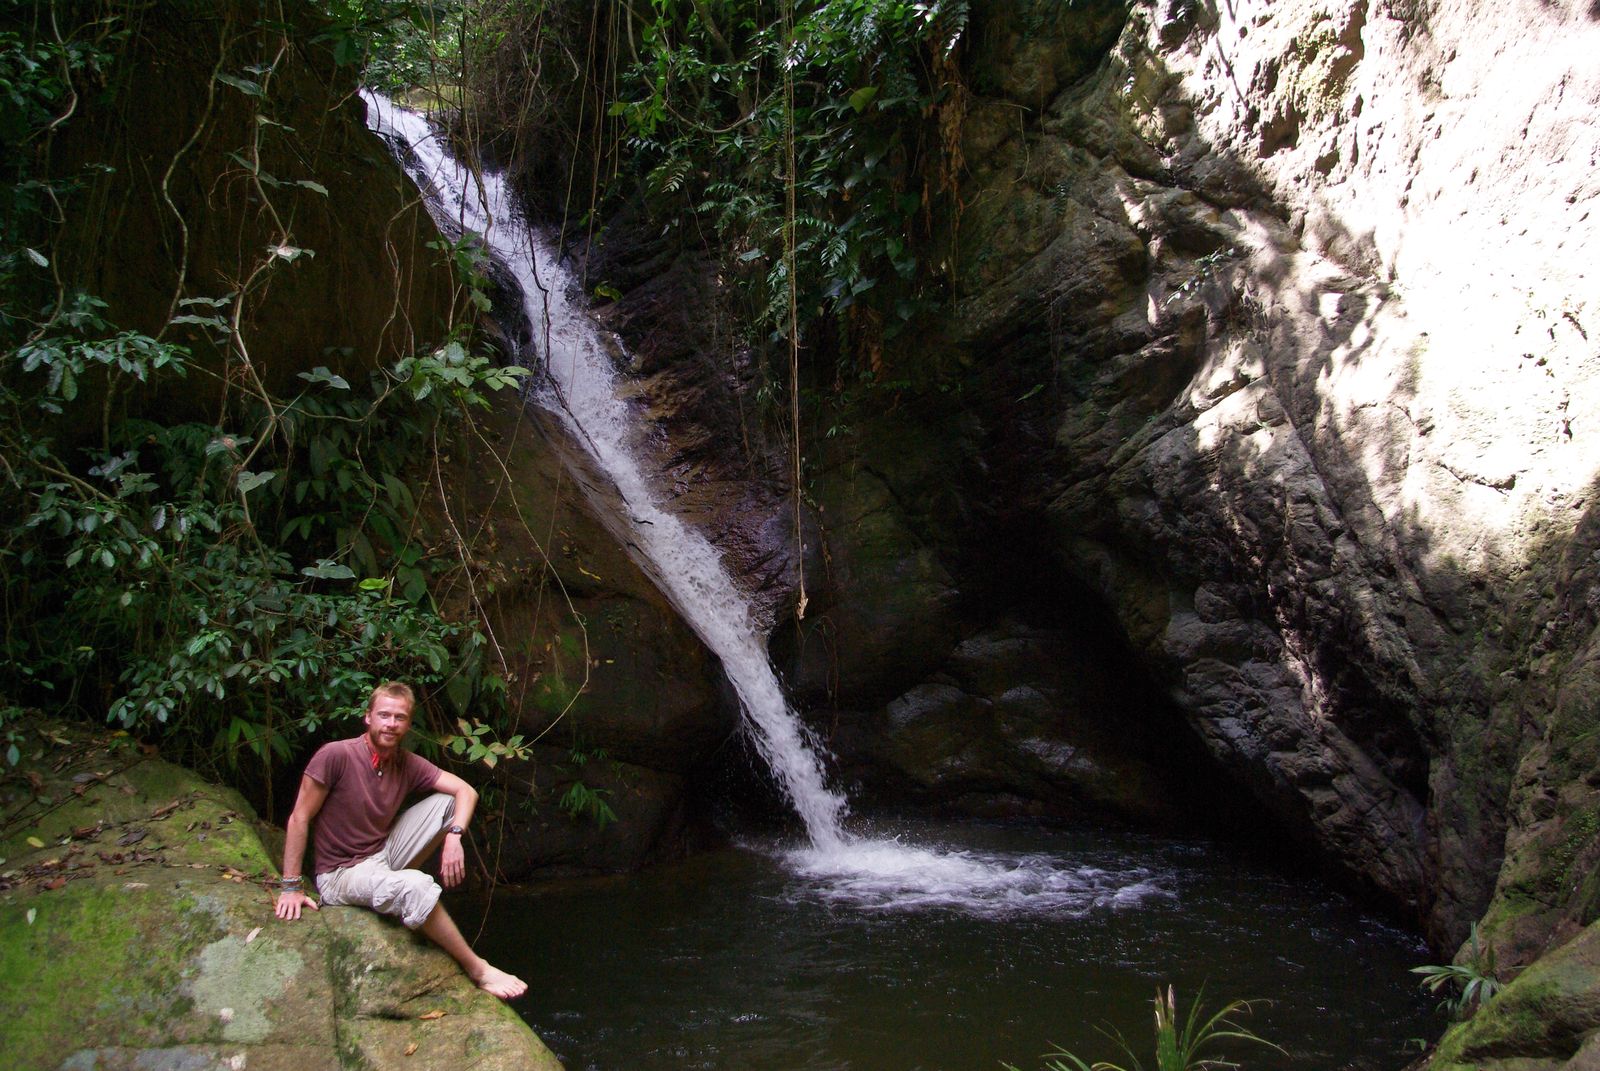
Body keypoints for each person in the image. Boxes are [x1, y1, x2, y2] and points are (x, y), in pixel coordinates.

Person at [273, 680, 527, 1000]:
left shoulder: (405, 762)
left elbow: (466, 790)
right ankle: (478, 969)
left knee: (447, 803)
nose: (391, 724)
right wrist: (291, 886)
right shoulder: (335, 755)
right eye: (384, 715)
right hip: (340, 873)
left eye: (400, 717)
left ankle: (396, 886)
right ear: (368, 718)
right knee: (416, 885)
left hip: (381, 854)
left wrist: (455, 837)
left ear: (408, 723)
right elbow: (299, 817)